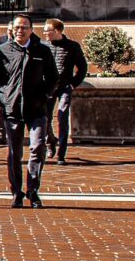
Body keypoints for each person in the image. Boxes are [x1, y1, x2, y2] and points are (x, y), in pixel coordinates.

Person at [0, 13, 57, 209]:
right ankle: (16, 192)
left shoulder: (42, 51)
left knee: (37, 148)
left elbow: (53, 77)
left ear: (31, 30)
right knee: (14, 154)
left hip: (36, 110)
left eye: (24, 27)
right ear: (12, 29)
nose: (20, 31)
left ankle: (33, 190)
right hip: (12, 110)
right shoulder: (2, 51)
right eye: (17, 27)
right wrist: (4, 99)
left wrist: (43, 95)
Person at [43, 18, 87, 165]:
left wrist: (74, 83)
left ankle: (61, 153)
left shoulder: (72, 46)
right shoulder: (43, 46)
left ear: (57, 31)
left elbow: (82, 67)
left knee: (62, 116)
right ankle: (50, 142)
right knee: (45, 118)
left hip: (64, 87)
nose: (44, 33)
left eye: (47, 30)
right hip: (48, 88)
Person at [0, 21, 14, 146]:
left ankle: (13, 135)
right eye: (9, 30)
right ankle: (1, 135)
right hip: (3, 83)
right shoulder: (2, 41)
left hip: (16, 84)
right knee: (0, 110)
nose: (10, 32)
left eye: (12, 30)